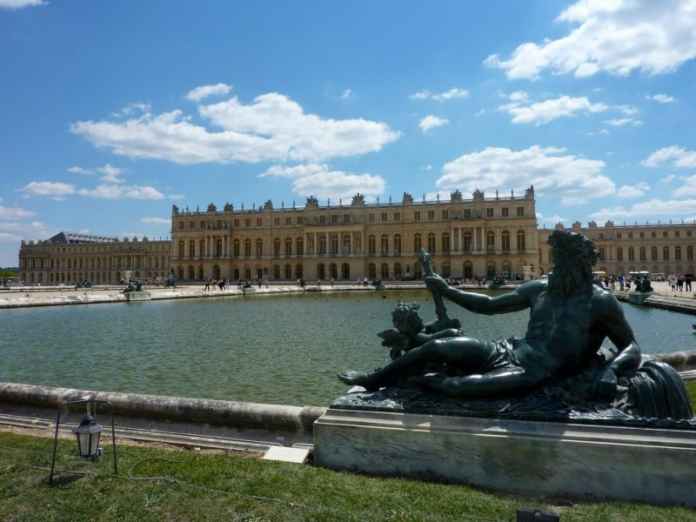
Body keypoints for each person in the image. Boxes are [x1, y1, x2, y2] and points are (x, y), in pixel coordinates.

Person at [339, 230, 641, 399]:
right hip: (509, 351)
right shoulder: (541, 288)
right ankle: (373, 380)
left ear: (580, 265)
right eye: (556, 260)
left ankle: (420, 386)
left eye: (562, 261)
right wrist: (446, 290)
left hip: (538, 371)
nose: (557, 266)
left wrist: (611, 369)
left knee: (461, 387)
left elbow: (631, 346)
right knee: (437, 346)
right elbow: (487, 305)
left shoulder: (601, 302)